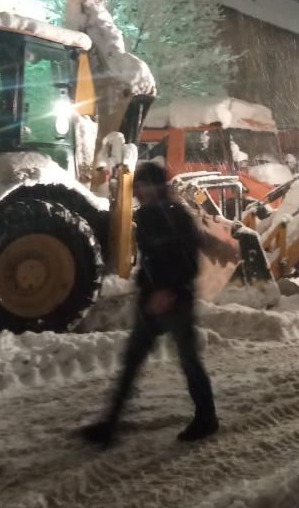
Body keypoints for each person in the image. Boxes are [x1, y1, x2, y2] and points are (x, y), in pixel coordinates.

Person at [80, 161, 218, 446]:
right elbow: (151, 260)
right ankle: (109, 424)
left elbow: (189, 263)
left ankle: (207, 418)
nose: (139, 192)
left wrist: (169, 292)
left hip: (177, 302)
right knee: (131, 361)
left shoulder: (177, 216)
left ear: (157, 187)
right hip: (151, 303)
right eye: (138, 187)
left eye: (144, 186)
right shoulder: (144, 217)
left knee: (189, 360)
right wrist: (147, 291)